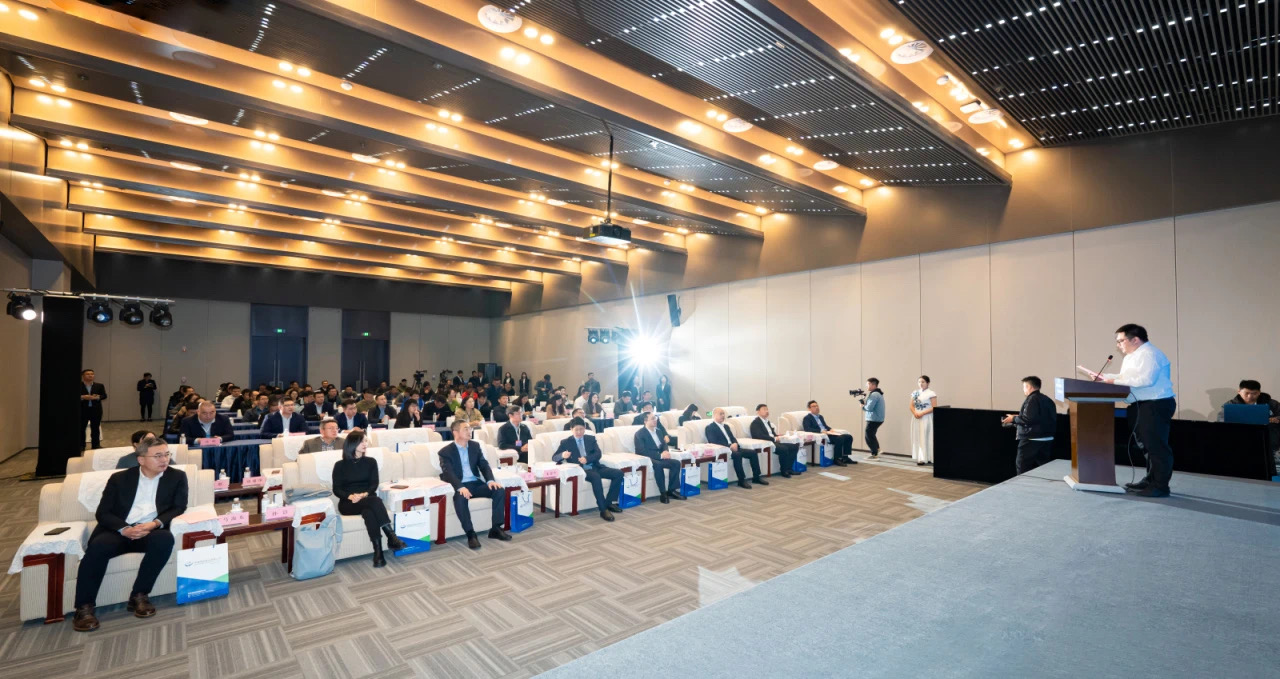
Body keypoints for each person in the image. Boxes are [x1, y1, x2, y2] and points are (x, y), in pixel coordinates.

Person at [72, 437, 186, 632]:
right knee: (98, 547)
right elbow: (103, 513)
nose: (164, 460)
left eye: (167, 454)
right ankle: (84, 607)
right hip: (119, 530)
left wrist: (153, 524)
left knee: (165, 540)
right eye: (158, 456)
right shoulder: (120, 479)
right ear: (141, 459)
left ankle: (139, 596)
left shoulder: (177, 477)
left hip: (149, 530)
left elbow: (178, 507)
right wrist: (125, 529)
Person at [1085, 324, 1177, 497]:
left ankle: (1160, 486)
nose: (1118, 345)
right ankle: (1150, 480)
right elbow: (1125, 378)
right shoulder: (1130, 357)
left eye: (1121, 341)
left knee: (1156, 446)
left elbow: (1145, 380)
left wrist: (1112, 382)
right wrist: (1105, 377)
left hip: (1155, 404)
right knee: (1146, 446)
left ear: (1135, 339)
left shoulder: (1150, 354)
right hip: (1139, 404)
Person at [331, 431, 406, 568]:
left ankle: (378, 553)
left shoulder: (371, 462)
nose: (365, 444)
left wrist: (363, 494)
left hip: (367, 498)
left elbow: (373, 484)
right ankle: (391, 537)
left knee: (369, 512)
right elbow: (337, 489)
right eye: (362, 441)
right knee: (375, 502)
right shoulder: (339, 465)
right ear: (352, 444)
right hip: (348, 503)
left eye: (366, 441)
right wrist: (350, 496)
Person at [438, 421, 512, 549]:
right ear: (455, 432)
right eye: (465, 429)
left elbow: (484, 465)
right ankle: (471, 534)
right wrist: (460, 487)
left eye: (470, 429)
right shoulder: (445, 452)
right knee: (460, 499)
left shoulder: (475, 446)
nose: (469, 431)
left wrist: (490, 480)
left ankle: (496, 528)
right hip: (460, 485)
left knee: (499, 490)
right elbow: (448, 473)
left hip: (476, 483)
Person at [554, 418, 622, 521]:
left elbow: (598, 454)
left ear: (585, 428)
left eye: (581, 429)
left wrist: (587, 459)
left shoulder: (591, 439)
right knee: (595, 477)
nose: (579, 432)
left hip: (595, 467)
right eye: (576, 430)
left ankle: (609, 502)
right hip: (581, 470)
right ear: (571, 429)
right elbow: (554, 457)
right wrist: (562, 455)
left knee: (618, 473)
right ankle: (603, 509)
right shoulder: (566, 442)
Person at [1002, 376, 1058, 474]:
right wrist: (1018, 417)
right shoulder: (1048, 400)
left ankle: (1022, 484)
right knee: (1044, 468)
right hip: (1047, 438)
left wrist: (1013, 419)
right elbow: (1039, 418)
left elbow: (1028, 419)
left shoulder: (1032, 399)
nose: (1023, 389)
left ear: (1029, 387)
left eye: (1024, 387)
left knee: (1022, 466)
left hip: (1031, 439)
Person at [706, 407, 768, 488]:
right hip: (724, 450)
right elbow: (713, 441)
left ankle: (756, 477)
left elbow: (732, 438)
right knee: (737, 455)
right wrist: (730, 446)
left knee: (753, 453)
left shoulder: (726, 426)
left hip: (734, 448)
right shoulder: (710, 427)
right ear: (714, 415)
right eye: (720, 414)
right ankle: (741, 480)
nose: (723, 416)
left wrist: (735, 443)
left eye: (723, 414)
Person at [1217, 380, 1280, 454]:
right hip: (1239, 444)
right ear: (1239, 391)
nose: (1250, 396)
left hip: (1269, 444)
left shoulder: (1272, 404)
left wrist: (1276, 419)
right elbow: (1221, 422)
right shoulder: (1230, 406)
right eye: (1246, 393)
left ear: (1259, 392)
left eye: (1254, 393)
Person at [634, 412, 682, 503]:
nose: (655, 420)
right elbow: (641, 452)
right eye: (652, 418)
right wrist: (660, 455)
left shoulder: (659, 431)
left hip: (660, 457)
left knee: (676, 463)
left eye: (655, 418)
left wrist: (665, 451)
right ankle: (663, 493)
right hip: (648, 458)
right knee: (658, 465)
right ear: (645, 421)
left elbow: (664, 444)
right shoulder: (640, 434)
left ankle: (672, 490)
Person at [749, 404, 798, 478]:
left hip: (773, 441)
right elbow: (759, 436)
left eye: (767, 409)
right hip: (767, 443)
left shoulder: (767, 422)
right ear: (758, 412)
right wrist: (774, 439)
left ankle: (789, 468)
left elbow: (772, 434)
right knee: (784, 449)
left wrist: (779, 436)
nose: (767, 411)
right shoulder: (756, 423)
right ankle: (784, 471)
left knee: (794, 446)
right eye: (764, 409)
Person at [804, 400, 856, 466]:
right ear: (809, 409)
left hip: (828, 433)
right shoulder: (807, 418)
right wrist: (820, 431)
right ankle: (837, 459)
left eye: (817, 406)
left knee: (848, 437)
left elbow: (825, 426)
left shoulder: (820, 417)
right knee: (840, 439)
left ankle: (845, 457)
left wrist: (830, 429)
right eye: (814, 406)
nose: (816, 407)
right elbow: (807, 429)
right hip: (822, 435)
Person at [908, 377, 937, 466]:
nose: (921, 383)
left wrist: (922, 413)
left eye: (923, 382)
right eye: (919, 382)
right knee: (918, 436)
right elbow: (911, 406)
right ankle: (920, 457)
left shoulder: (931, 393)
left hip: (926, 417)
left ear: (928, 383)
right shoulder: (915, 393)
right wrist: (915, 413)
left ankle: (928, 457)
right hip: (917, 417)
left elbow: (934, 407)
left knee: (926, 436)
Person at [79, 369, 108, 450]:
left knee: (95, 428)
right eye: (88, 374)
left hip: (96, 410)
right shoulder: (78, 385)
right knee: (81, 428)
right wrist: (82, 397)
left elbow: (104, 396)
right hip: (82, 410)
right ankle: (81, 445)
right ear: (83, 376)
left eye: (92, 374)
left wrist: (97, 397)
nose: (90, 375)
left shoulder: (99, 385)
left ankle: (96, 445)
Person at [859, 378, 886, 459]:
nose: (866, 385)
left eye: (868, 384)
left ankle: (874, 454)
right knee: (872, 435)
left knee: (868, 436)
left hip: (874, 419)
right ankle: (877, 449)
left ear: (873, 385)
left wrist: (862, 406)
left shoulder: (874, 395)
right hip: (877, 418)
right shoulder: (878, 393)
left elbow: (869, 408)